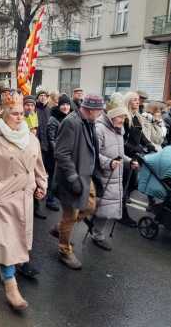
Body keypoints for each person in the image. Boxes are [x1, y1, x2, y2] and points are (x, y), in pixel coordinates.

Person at [0, 92, 47, 310]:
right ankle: (10, 285)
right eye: (14, 113)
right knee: (5, 241)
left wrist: (41, 185)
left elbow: (38, 165)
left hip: (24, 196)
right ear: (4, 114)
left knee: (20, 240)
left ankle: (10, 268)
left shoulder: (30, 138)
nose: (19, 117)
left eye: (21, 113)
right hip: (1, 198)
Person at [53, 94, 104, 270]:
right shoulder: (71, 122)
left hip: (85, 175)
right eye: (99, 111)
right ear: (90, 110)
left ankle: (59, 228)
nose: (100, 114)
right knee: (71, 216)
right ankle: (64, 251)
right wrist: (73, 178)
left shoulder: (88, 121)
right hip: (72, 177)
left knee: (90, 207)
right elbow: (61, 153)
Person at [92, 94, 138, 250]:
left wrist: (129, 161)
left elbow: (119, 153)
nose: (122, 120)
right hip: (101, 175)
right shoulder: (99, 129)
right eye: (120, 116)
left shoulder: (119, 130)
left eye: (124, 116)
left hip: (114, 175)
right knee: (89, 209)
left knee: (106, 209)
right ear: (112, 115)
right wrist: (108, 162)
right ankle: (63, 228)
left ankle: (97, 234)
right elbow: (92, 154)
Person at [121, 91, 156, 227]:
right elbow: (122, 140)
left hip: (134, 155)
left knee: (132, 184)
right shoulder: (125, 117)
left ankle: (121, 204)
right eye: (134, 100)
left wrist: (148, 144)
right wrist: (137, 149)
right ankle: (122, 214)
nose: (137, 102)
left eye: (138, 100)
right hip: (125, 156)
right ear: (128, 101)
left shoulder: (136, 117)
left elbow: (140, 135)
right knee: (125, 185)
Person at [46, 94, 72, 211]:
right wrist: (58, 154)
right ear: (59, 105)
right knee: (53, 178)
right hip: (55, 155)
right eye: (63, 105)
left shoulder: (69, 117)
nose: (65, 107)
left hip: (65, 153)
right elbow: (51, 139)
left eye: (67, 104)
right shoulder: (53, 119)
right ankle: (50, 200)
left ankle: (56, 197)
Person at [35, 89, 51, 219]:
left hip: (48, 148)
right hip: (37, 147)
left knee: (44, 175)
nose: (43, 98)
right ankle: (36, 206)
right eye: (40, 96)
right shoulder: (34, 109)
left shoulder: (49, 110)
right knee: (37, 176)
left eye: (45, 96)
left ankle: (45, 197)